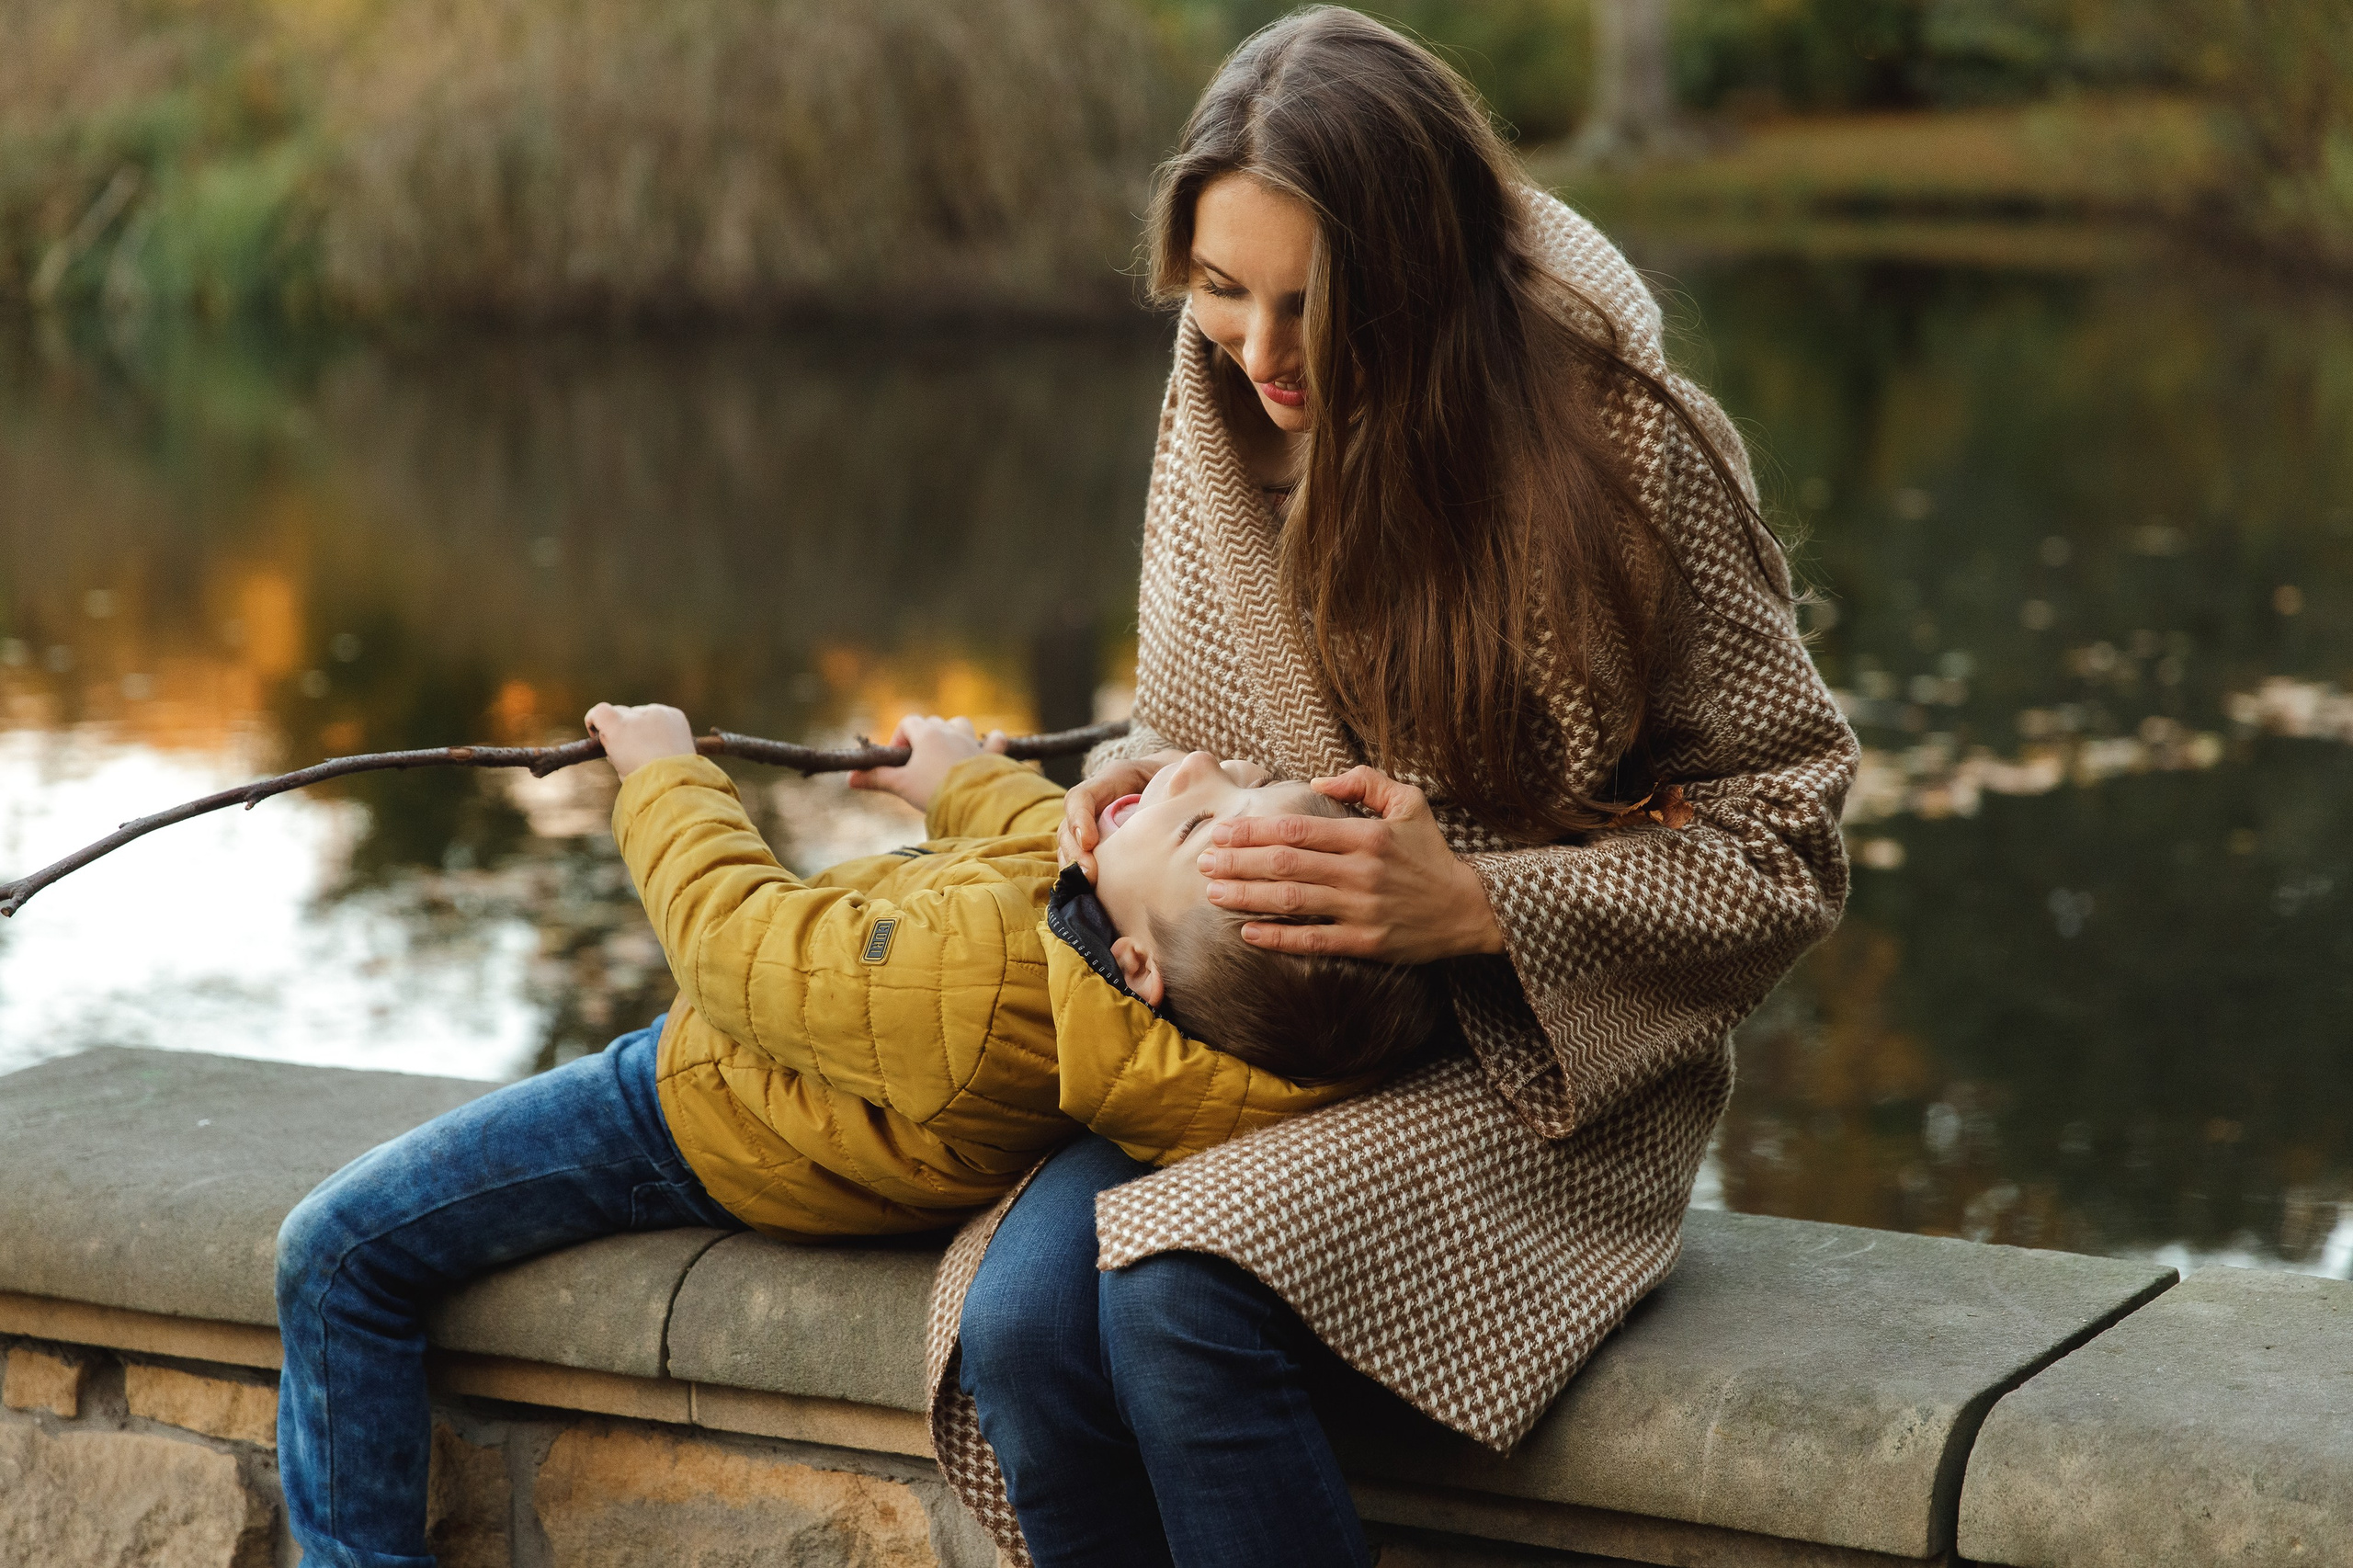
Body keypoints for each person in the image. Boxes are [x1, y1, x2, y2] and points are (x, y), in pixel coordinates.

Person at [938, 10, 1860, 1568]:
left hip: (1524, 1061)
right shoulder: (1219, 397)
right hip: (1246, 1032)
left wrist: (1477, 906)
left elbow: (1789, 836)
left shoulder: (1621, 440)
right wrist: (1120, 789)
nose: (1262, 351)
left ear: (1421, 274)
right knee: (1024, 1326)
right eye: (1221, 292)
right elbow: (1183, 717)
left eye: (1312, 304)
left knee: (1173, 1300)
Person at [273, 707, 1440, 1568]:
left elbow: (737, 945)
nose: (1188, 765)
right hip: (791, 1076)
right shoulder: (1147, 1002)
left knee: (337, 1254)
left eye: (1200, 817)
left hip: (701, 1108)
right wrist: (959, 779)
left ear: (1137, 968)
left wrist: (664, 777)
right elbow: (1057, 850)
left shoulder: (981, 986)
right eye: (1234, 779)